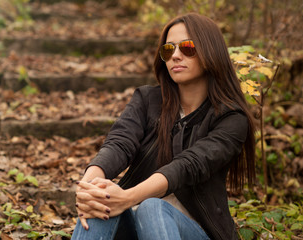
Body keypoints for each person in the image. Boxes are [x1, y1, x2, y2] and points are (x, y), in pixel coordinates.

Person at [71, 12, 256, 240]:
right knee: (101, 198)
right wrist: (88, 187)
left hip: (196, 231)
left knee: (151, 207)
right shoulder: (147, 100)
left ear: (210, 51)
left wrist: (127, 198)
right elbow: (119, 143)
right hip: (135, 225)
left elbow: (187, 166)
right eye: (168, 50)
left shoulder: (231, 118)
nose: (176, 56)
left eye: (187, 48)